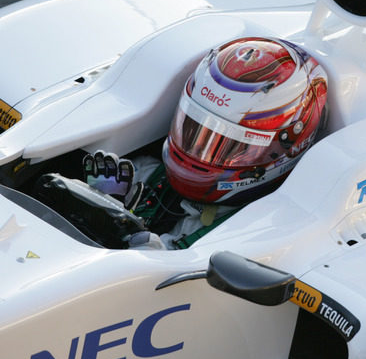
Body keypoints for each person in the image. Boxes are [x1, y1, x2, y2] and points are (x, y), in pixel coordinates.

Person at [84, 36, 328, 249]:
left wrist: (116, 224)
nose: (199, 152)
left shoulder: (246, 233)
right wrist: (100, 198)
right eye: (194, 130)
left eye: (233, 147)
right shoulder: (142, 173)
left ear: (290, 145)